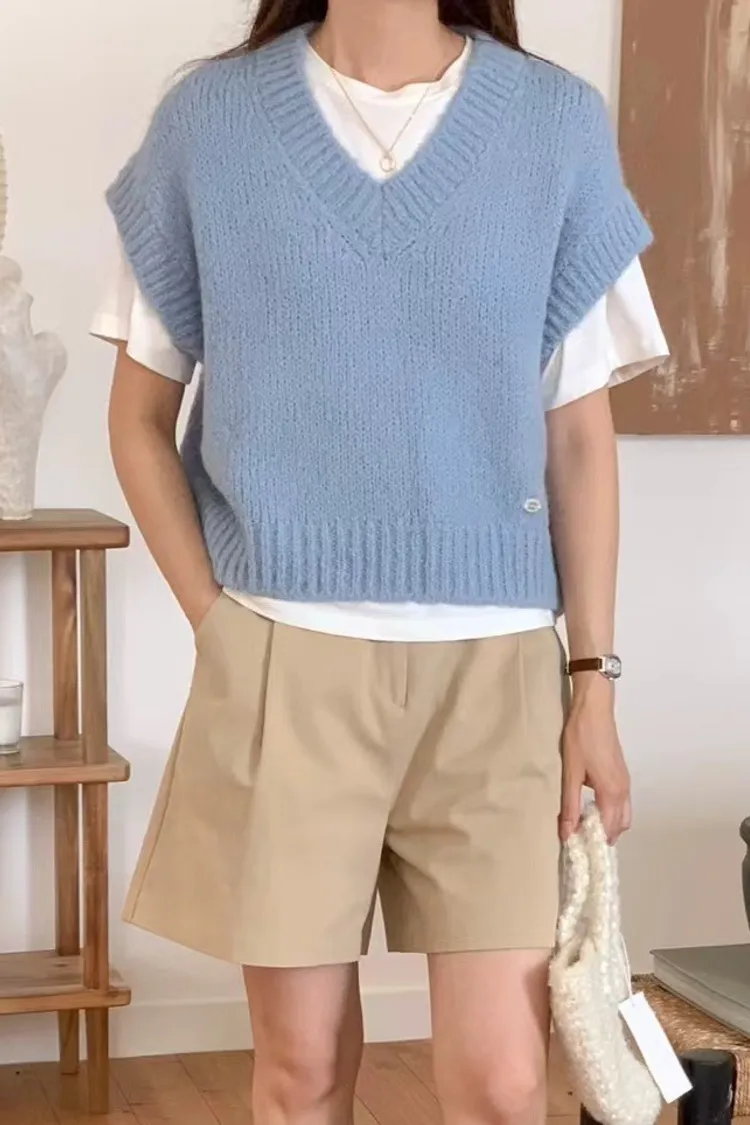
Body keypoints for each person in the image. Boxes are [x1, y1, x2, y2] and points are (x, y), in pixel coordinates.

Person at [93, 2, 668, 1123]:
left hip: (499, 677)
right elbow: (138, 419)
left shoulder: (554, 126)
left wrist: (592, 681)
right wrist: (220, 621)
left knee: (503, 1082)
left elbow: (578, 439)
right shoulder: (209, 124)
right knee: (300, 1073)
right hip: (284, 665)